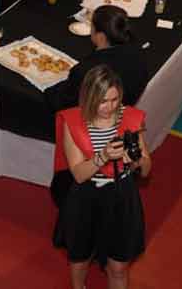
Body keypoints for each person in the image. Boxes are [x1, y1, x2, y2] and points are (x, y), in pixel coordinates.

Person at [53, 65, 149, 289]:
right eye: (103, 101)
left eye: (115, 100)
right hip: (87, 196)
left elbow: (146, 169)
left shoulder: (131, 119)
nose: (109, 107)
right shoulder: (73, 121)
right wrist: (103, 156)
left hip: (121, 196)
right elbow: (78, 174)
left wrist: (135, 161)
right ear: (89, 97)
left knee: (119, 267)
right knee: (80, 259)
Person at [48, 4, 150, 113]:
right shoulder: (139, 53)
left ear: (101, 36)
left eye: (92, 27)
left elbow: (61, 102)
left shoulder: (86, 71)